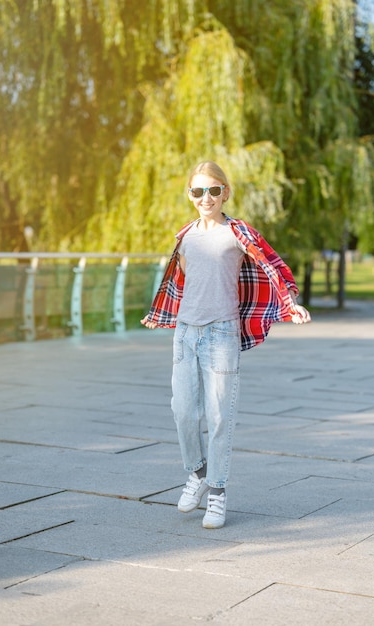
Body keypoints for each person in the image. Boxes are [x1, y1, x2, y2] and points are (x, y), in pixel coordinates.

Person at [141, 161, 311, 529]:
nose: (206, 198)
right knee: (183, 411)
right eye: (198, 191)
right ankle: (197, 474)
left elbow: (275, 268)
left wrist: (291, 302)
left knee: (219, 416)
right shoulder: (185, 236)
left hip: (222, 334)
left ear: (225, 193)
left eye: (213, 191)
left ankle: (217, 493)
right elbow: (182, 281)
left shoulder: (239, 233)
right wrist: (164, 313)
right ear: (190, 195)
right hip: (186, 333)